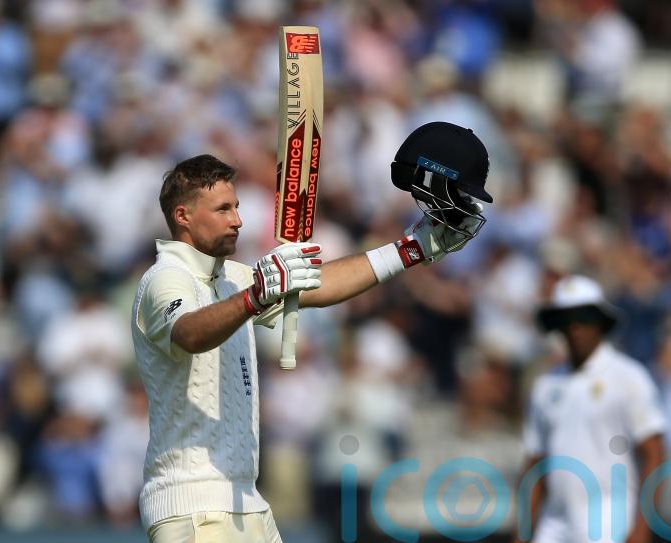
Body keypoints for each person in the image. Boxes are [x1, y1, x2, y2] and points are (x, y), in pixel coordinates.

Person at [130, 122, 492, 542]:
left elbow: (319, 287)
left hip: (243, 499)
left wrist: (409, 251)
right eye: (223, 210)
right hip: (193, 503)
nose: (238, 220)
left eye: (237, 206)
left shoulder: (231, 278)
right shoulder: (166, 278)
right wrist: (255, 297)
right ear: (183, 216)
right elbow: (189, 333)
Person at [515, 275, 667, 543]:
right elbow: (534, 465)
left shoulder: (628, 376)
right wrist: (522, 532)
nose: (575, 328)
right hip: (555, 525)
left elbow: (654, 455)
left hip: (609, 522)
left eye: (584, 317)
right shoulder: (545, 386)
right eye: (566, 319)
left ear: (600, 322)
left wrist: (641, 529)